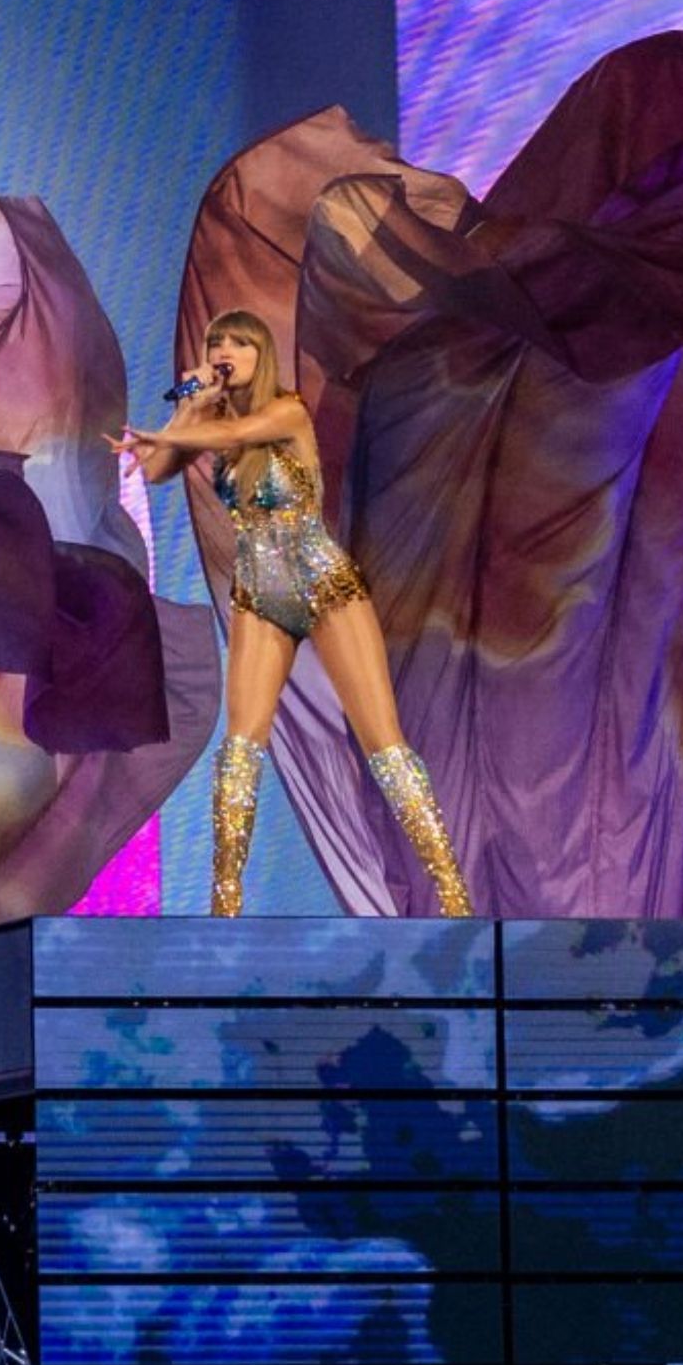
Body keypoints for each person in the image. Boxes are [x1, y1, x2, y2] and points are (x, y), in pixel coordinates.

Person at [119, 310, 471, 916]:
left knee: (384, 743)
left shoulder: (286, 411)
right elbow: (153, 470)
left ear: (261, 356)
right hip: (259, 594)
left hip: (324, 584)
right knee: (240, 748)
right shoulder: (212, 421)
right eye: (217, 342)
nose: (225, 350)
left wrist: (176, 430)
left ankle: (451, 889)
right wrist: (188, 408)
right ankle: (225, 902)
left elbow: (232, 436)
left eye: (239, 343)